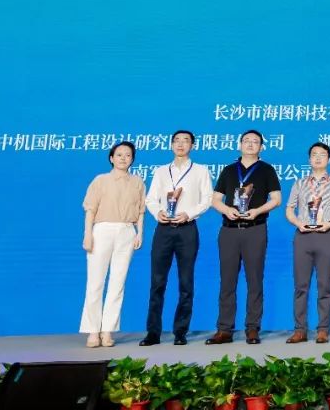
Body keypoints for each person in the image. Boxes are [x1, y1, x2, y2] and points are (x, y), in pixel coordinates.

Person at [206, 129, 282, 345]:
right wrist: (226, 210)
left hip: (255, 229)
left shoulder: (267, 170)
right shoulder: (229, 170)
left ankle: (252, 328)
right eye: (246, 141)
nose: (250, 144)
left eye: (255, 141)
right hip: (229, 230)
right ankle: (224, 330)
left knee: (255, 280)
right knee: (227, 281)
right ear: (239, 145)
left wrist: (257, 211)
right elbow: (215, 199)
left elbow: (276, 199)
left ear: (261, 147)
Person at [141, 130, 213, 346]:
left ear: (193, 146)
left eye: (186, 141)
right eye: (177, 141)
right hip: (163, 229)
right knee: (157, 282)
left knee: (185, 282)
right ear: (171, 145)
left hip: (187, 229)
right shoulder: (161, 171)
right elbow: (151, 199)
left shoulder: (200, 171)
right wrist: (158, 212)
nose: (181, 144)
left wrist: (188, 214)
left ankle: (180, 331)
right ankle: (153, 332)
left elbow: (207, 199)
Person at [80, 141, 146, 348]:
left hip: (127, 231)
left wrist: (139, 233)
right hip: (102, 230)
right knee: (95, 282)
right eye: (119, 155)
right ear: (111, 158)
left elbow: (141, 211)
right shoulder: (100, 180)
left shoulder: (137, 182)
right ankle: (93, 331)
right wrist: (88, 235)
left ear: (132, 159)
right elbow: (90, 209)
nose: (123, 158)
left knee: (118, 283)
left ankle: (107, 330)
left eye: (128, 155)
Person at [284, 142, 330, 344]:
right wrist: (298, 223)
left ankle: (323, 329)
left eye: (322, 154)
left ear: (329, 159)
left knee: (325, 284)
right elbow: (289, 209)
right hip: (303, 236)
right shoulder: (300, 183)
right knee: (300, 285)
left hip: (326, 236)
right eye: (314, 154)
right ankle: (300, 330)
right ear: (309, 159)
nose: (318, 158)